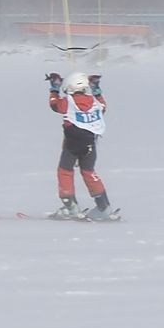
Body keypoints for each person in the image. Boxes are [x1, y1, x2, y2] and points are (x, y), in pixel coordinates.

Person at [46, 70, 113, 218]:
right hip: (90, 145)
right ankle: (104, 207)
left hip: (72, 145)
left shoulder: (67, 102)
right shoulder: (95, 103)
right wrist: (96, 89)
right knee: (89, 172)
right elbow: (103, 106)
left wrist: (54, 88)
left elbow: (54, 104)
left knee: (65, 171)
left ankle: (70, 206)